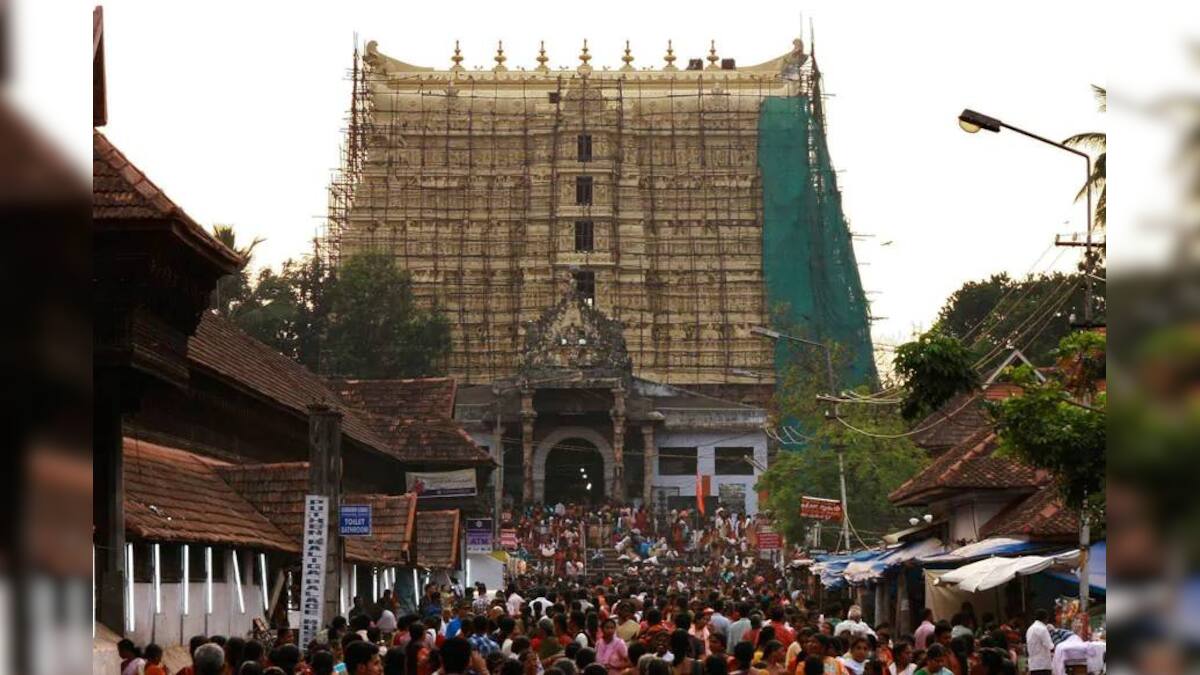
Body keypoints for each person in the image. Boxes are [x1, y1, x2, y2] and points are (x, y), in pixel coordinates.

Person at [1024, 609, 1055, 675]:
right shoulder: (1042, 629)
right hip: (1043, 665)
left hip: (1033, 665)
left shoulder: (1030, 629)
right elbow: (1050, 646)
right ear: (1046, 618)